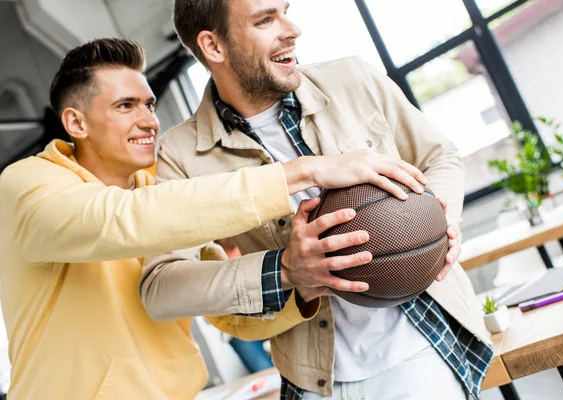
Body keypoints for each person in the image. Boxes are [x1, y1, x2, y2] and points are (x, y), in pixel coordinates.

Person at [0, 38, 427, 399]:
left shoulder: (159, 191)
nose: (149, 120)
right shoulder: (27, 185)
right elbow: (120, 221)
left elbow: (225, 312)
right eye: (126, 105)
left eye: (149, 104)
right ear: (76, 121)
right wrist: (303, 171)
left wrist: (295, 280)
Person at [142, 1, 493, 399]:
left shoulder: (353, 79)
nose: (292, 29)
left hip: (421, 346)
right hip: (315, 380)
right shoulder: (178, 155)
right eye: (265, 20)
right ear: (214, 46)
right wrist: (285, 270)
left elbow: (439, 156)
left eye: (285, 11)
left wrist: (436, 224)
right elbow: (160, 288)